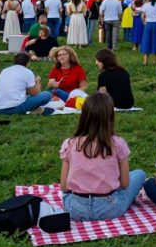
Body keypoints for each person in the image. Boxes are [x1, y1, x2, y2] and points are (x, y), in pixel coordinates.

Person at [59, 92, 145, 221]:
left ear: (84, 116)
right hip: (109, 209)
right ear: (110, 117)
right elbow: (124, 184)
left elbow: (64, 187)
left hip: (75, 209)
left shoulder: (70, 144)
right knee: (139, 174)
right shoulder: (117, 143)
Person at [140, 0, 156, 66]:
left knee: (146, 41)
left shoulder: (146, 5)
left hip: (148, 25)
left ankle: (145, 61)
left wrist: (144, 22)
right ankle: (154, 61)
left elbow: (142, 16)